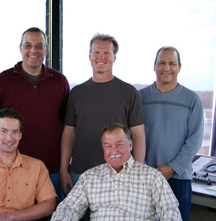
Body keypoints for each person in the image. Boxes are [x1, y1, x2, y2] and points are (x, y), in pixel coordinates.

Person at [60, 33, 146, 196]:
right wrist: (64, 170)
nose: (101, 57)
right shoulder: (76, 93)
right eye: (97, 52)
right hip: (80, 174)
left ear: (114, 57)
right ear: (90, 56)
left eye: (106, 53)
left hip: (118, 176)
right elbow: (68, 134)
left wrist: (136, 174)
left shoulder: (129, 93)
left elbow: (138, 135)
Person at [0, 27, 70, 199]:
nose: (33, 50)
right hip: (13, 171)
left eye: (39, 46)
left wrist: (64, 169)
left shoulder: (59, 82)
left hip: (52, 171)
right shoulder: (2, 81)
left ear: (46, 49)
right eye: (28, 45)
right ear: (20, 48)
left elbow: (67, 128)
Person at [51, 123, 181, 220]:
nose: (114, 151)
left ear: (130, 145)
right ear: (103, 149)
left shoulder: (152, 177)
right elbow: (69, 207)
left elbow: (170, 212)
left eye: (119, 144)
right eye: (108, 146)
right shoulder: (89, 177)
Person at [139, 46, 204, 221]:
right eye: (162, 63)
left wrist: (172, 168)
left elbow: (195, 139)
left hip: (179, 178)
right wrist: (144, 168)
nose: (166, 68)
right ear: (154, 65)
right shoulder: (140, 98)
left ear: (179, 67)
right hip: (146, 177)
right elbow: (130, 137)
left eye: (171, 63)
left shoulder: (192, 100)